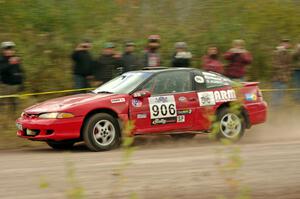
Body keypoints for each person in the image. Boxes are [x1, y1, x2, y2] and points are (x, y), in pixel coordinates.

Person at [0, 41, 24, 113]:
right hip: (5, 85)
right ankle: (2, 118)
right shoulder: (1, 59)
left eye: (10, 49)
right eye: (6, 49)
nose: (9, 51)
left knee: (15, 103)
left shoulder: (16, 59)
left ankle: (14, 117)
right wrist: (10, 63)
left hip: (16, 86)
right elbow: (1, 70)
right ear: (3, 50)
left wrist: (22, 84)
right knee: (2, 103)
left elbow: (20, 71)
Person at [271, 39, 293, 106]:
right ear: (281, 44)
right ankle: (274, 105)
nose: (286, 45)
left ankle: (279, 106)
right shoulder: (276, 52)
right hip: (276, 76)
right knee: (276, 91)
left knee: (282, 91)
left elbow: (289, 65)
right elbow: (273, 64)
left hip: (284, 76)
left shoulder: (288, 53)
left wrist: (288, 74)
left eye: (287, 43)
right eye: (284, 43)